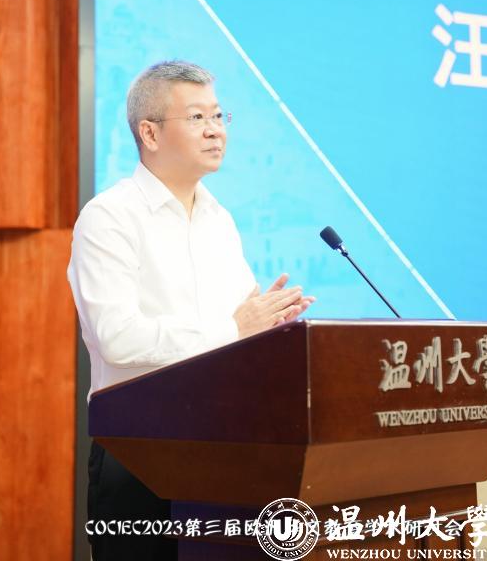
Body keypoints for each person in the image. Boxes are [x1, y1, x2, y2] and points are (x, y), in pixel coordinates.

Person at [68, 60, 315, 560]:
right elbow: (117, 337)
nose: (215, 130)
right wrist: (234, 328)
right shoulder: (109, 217)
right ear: (149, 133)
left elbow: (241, 327)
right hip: (139, 452)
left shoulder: (219, 219)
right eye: (197, 117)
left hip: (226, 449)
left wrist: (271, 326)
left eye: (219, 116)